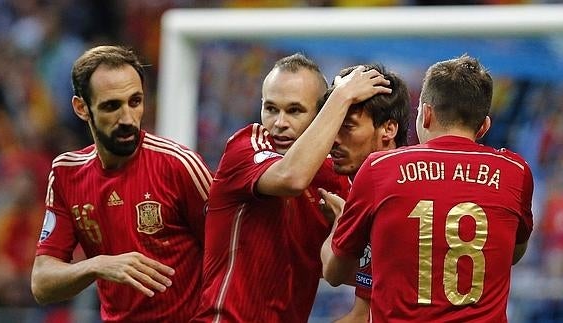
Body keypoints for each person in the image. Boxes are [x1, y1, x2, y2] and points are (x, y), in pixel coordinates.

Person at [321, 55, 534, 322]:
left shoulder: (380, 168)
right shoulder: (515, 172)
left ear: (427, 113)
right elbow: (512, 253)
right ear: (483, 126)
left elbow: (335, 272)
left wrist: (339, 225)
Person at [191, 53, 392, 322]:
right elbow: (292, 178)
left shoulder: (334, 178)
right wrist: (342, 96)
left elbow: (344, 274)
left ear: (321, 116)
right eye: (271, 109)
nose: (279, 123)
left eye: (294, 110)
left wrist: (341, 234)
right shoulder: (246, 147)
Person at [31, 45, 213, 322]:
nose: (127, 118)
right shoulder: (66, 174)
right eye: (111, 106)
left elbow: (234, 257)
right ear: (82, 108)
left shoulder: (179, 165)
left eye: (135, 101)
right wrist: (96, 265)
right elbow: (41, 283)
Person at [318, 63, 410, 323]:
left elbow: (334, 274)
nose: (333, 139)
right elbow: (363, 313)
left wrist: (339, 222)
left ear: (388, 130)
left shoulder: (391, 194)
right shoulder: (385, 183)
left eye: (347, 127)